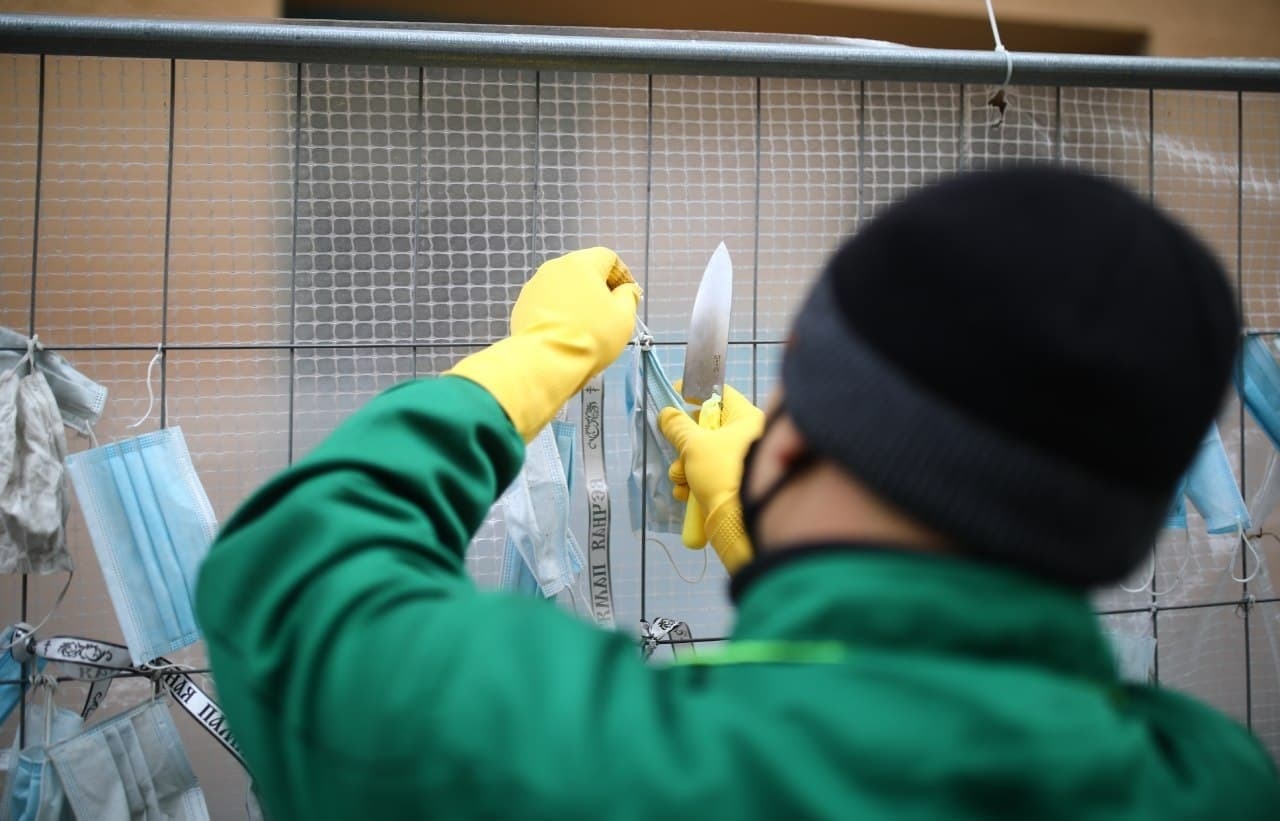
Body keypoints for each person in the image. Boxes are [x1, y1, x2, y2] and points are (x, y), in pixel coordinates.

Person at [197, 167, 1280, 819]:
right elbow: (925, 698)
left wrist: (530, 361)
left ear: (802, 441)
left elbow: (291, 577)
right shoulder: (1211, 777)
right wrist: (774, 548)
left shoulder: (612, 766)